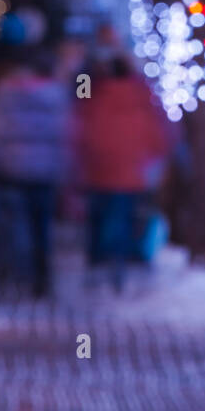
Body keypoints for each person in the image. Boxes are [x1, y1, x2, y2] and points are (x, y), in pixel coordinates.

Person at [74, 52, 173, 290]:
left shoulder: (94, 97)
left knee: (99, 219)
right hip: (131, 173)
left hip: (98, 172)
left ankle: (97, 265)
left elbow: (82, 134)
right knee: (122, 218)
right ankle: (117, 268)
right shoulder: (143, 101)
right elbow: (158, 140)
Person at [0, 43, 71, 297]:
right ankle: (41, 278)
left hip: (10, 167)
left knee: (12, 223)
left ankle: (13, 276)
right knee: (41, 225)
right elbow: (64, 132)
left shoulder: (5, 91)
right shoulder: (56, 93)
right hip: (45, 170)